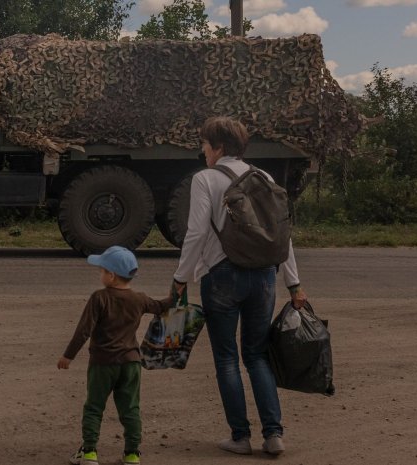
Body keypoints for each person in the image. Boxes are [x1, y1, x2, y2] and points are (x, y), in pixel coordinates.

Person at [170, 116, 308, 456]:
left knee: (227, 358)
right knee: (257, 355)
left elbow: (197, 232)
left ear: (218, 147)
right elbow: (280, 236)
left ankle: (240, 437)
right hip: (263, 277)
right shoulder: (263, 177)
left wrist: (181, 277)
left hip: (222, 277)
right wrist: (294, 283)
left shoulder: (205, 179)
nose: (202, 151)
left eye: (204, 144)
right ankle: (274, 434)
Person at [58, 246, 174, 465]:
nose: (100, 274)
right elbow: (161, 307)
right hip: (131, 363)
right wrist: (176, 292)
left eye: (101, 270)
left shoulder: (99, 298)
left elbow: (84, 330)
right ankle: (132, 453)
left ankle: (89, 452)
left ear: (111, 276)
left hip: (103, 363)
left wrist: (68, 356)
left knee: (94, 406)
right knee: (130, 407)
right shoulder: (139, 299)